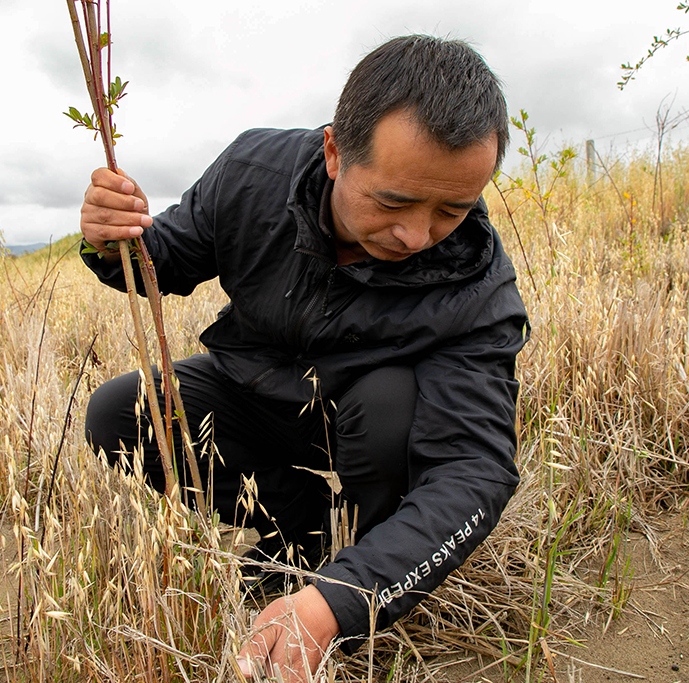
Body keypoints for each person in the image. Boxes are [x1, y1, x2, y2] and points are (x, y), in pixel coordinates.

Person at [79, 34, 529, 681]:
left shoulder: (477, 286)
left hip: (367, 442)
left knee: (386, 403)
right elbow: (166, 259)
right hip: (258, 397)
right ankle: (294, 539)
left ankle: (344, 559)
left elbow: (473, 470)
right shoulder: (253, 175)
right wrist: (110, 239)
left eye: (452, 210)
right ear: (334, 152)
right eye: (394, 202)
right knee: (119, 413)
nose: (416, 235)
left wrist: (343, 599)